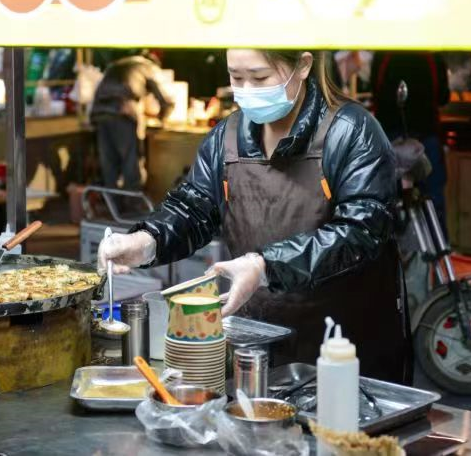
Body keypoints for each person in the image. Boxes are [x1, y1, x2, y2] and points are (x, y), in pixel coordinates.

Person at [97, 49, 410, 382]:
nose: (247, 89)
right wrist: (147, 241)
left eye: (260, 78)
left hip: (346, 346)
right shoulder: (227, 137)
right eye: (236, 77)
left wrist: (265, 266)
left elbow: (362, 231)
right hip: (260, 344)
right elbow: (193, 208)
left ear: (303, 66)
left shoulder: (351, 132)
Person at [372, 51, 450, 230]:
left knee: (386, 200)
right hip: (425, 135)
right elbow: (443, 96)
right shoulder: (431, 52)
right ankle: (438, 249)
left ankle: (390, 251)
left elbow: (376, 91)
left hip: (390, 135)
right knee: (432, 198)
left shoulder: (383, 51)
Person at [90, 55, 173, 190]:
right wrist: (163, 118)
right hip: (122, 113)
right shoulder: (147, 67)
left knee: (109, 166)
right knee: (131, 164)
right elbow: (166, 101)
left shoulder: (118, 65)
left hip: (99, 114)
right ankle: (133, 205)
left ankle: (114, 207)